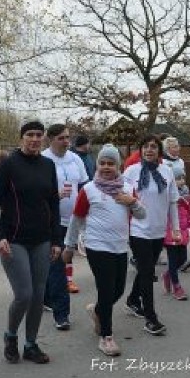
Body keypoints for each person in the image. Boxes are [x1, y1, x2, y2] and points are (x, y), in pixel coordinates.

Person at [0, 120, 60, 365]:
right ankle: (10, 336)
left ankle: (31, 344)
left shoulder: (48, 165)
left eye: (39, 135)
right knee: (24, 294)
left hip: (41, 239)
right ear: (22, 138)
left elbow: (54, 204)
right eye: (30, 134)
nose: (35, 139)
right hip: (14, 240)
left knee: (39, 296)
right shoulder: (8, 165)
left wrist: (56, 240)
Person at [63, 144, 146, 356]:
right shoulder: (89, 189)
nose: (106, 167)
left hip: (119, 245)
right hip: (96, 246)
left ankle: (98, 311)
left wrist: (132, 202)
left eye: (111, 163)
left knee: (118, 289)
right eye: (102, 163)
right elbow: (76, 219)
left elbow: (142, 215)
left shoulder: (126, 189)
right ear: (97, 165)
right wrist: (69, 246)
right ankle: (106, 337)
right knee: (106, 289)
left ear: (118, 165)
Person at [122, 134, 180, 336]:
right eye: (145, 146)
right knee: (147, 272)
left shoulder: (167, 171)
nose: (149, 150)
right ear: (140, 150)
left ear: (159, 151)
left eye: (153, 147)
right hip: (138, 229)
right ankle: (151, 318)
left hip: (159, 229)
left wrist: (176, 228)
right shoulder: (131, 171)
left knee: (146, 270)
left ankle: (132, 300)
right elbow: (123, 199)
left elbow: (173, 201)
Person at [42, 124, 89, 328]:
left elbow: (84, 186)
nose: (66, 141)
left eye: (68, 138)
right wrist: (53, 195)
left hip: (73, 220)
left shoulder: (75, 159)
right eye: (61, 138)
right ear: (50, 139)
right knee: (58, 265)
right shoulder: (43, 159)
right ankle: (62, 315)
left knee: (54, 265)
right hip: (50, 221)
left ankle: (45, 298)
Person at [161, 165, 190, 300]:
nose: (181, 181)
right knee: (173, 262)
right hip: (170, 235)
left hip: (183, 235)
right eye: (178, 178)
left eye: (182, 178)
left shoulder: (186, 195)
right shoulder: (165, 195)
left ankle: (167, 275)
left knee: (182, 261)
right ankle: (177, 288)